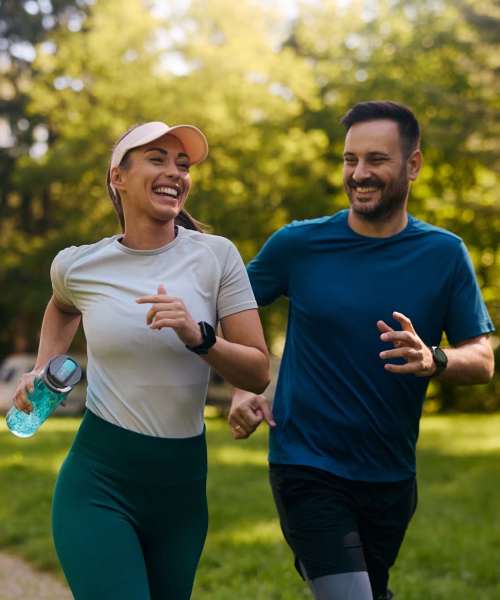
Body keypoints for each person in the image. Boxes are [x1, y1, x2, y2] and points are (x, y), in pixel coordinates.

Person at [228, 101, 495, 600]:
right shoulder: (298, 245)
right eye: (351, 160)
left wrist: (433, 359)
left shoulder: (444, 254)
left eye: (376, 160)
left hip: (390, 474)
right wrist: (245, 384)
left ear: (412, 165)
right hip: (306, 463)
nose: (360, 173)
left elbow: (481, 360)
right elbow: (228, 306)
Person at [11, 121, 270, 600]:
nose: (175, 172)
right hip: (99, 482)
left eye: (183, 164)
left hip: (182, 490)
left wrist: (199, 336)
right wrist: (43, 366)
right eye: (157, 159)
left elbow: (257, 369)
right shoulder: (78, 265)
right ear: (118, 178)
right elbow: (62, 305)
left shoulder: (217, 258)